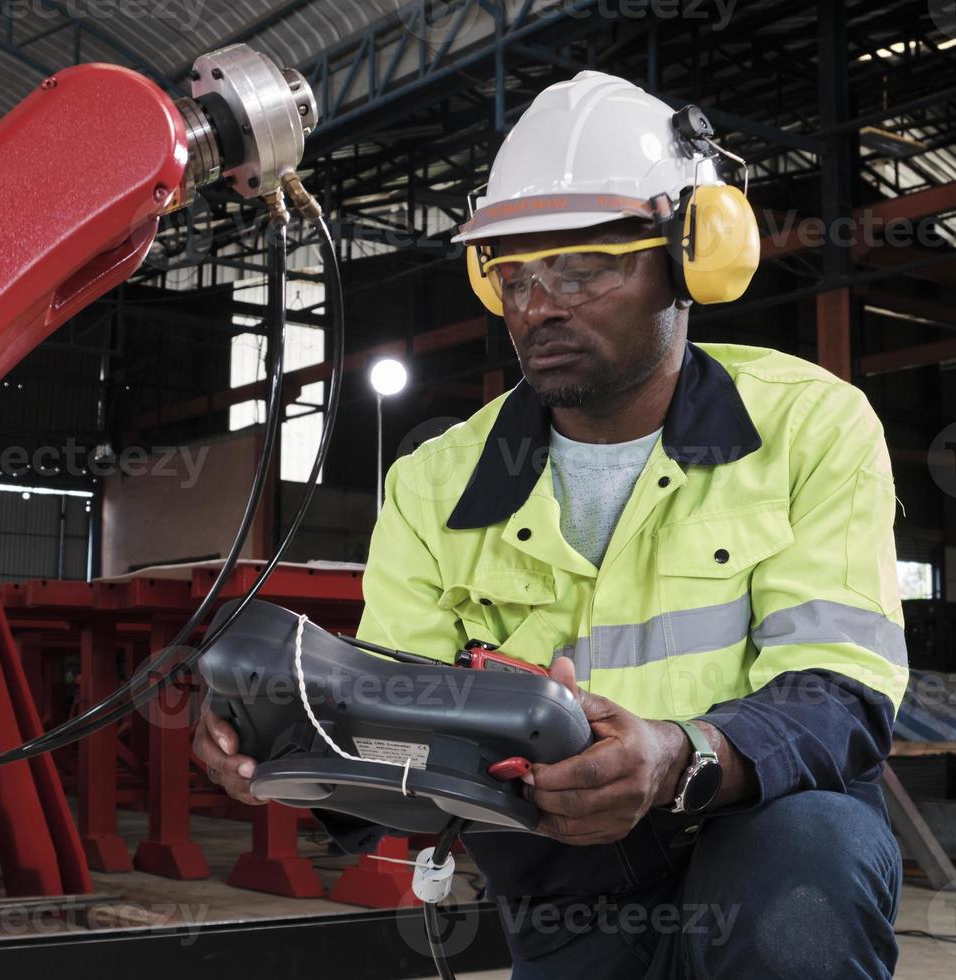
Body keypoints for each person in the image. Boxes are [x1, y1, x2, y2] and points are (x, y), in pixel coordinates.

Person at [194, 70, 907, 979]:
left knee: (804, 863)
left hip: (765, 833)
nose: (538, 304)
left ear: (689, 261)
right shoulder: (436, 482)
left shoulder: (810, 426)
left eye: (582, 265)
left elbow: (837, 694)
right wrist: (282, 748)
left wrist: (679, 757)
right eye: (513, 272)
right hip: (568, 870)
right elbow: (396, 725)